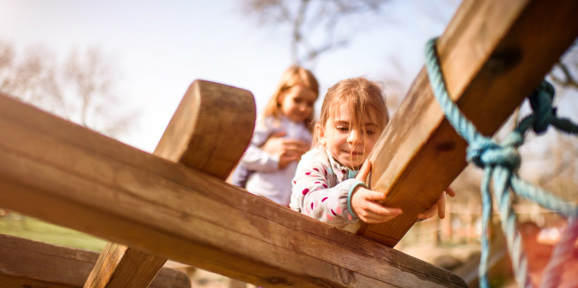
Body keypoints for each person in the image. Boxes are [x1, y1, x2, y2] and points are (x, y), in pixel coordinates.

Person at [290, 77, 454, 227]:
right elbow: (311, 203)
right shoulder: (314, 162)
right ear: (321, 133)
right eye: (343, 128)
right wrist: (349, 199)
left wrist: (426, 192)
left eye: (368, 131)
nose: (355, 139)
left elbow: (395, 203)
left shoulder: (380, 165)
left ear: (384, 136)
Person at [231, 65, 320, 206]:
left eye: (310, 103)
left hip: (288, 204)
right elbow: (243, 153)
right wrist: (274, 161)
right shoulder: (268, 121)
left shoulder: (311, 134)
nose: (303, 108)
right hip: (258, 195)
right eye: (297, 100)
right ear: (281, 97)